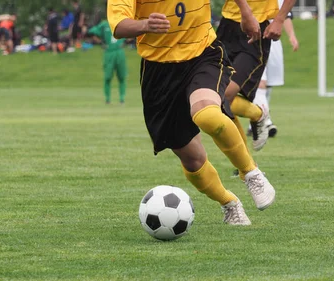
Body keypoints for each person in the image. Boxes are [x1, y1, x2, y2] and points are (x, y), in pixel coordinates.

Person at [107, 0, 275, 225]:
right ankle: (229, 203)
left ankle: (251, 173)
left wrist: (245, 12)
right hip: (158, 72)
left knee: (206, 113)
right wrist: (145, 25)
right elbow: (118, 26)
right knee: (192, 160)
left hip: (203, 54)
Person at [217, 0, 296, 153]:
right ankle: (246, 163)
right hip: (227, 26)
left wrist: (279, 20)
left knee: (226, 94)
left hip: (257, 28)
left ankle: (257, 115)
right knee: (214, 98)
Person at [250, 0, 300, 138]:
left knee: (269, 83)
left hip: (273, 40)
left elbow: (285, 15)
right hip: (252, 36)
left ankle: (254, 122)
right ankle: (265, 121)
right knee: (260, 82)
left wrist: (292, 36)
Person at [87, 9, 127, 105]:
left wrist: (126, 41)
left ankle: (122, 99)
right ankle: (108, 99)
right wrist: (100, 42)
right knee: (107, 77)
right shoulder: (104, 24)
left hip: (119, 52)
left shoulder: (123, 21)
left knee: (122, 76)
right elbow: (91, 32)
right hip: (109, 52)